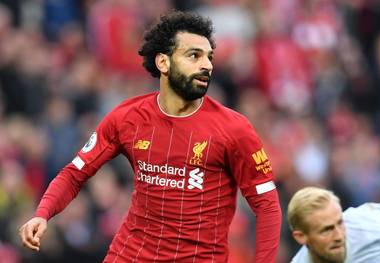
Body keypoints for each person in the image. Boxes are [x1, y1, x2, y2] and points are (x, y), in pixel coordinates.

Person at [19, 11, 282, 262]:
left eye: (209, 57)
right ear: (163, 62)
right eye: (194, 55)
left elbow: (267, 206)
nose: (206, 65)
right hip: (130, 255)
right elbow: (74, 173)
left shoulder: (234, 129)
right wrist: (43, 214)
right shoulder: (128, 117)